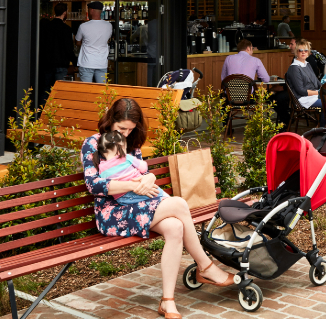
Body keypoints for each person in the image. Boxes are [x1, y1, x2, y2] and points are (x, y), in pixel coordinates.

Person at [82, 99, 233, 319]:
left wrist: (149, 177)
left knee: (174, 227)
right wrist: (134, 185)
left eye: (130, 129)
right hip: (112, 213)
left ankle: (168, 302)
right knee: (179, 204)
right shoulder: (93, 143)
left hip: (138, 205)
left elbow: (141, 174)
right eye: (121, 128)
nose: (125, 133)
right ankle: (206, 266)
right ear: (110, 121)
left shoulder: (131, 143)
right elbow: (93, 185)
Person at [95, 131, 157, 204]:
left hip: (121, 199)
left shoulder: (101, 167)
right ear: (122, 147)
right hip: (139, 190)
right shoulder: (126, 157)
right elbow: (143, 169)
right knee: (164, 198)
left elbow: (105, 183)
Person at [74, 0, 112, 83]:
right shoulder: (109, 26)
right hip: (101, 63)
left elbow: (77, 42)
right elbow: (107, 40)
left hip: (86, 63)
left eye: (88, 9)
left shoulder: (83, 26)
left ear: (91, 10)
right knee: (102, 92)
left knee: (86, 91)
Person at [41, 2, 76, 83]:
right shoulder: (66, 29)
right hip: (61, 64)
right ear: (64, 13)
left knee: (46, 89)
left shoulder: (46, 26)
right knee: (59, 89)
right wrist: (75, 62)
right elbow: (69, 48)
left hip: (47, 63)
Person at [285, 40, 321, 108]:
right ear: (296, 52)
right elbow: (301, 91)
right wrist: (319, 92)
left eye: (306, 50)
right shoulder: (294, 68)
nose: (303, 52)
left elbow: (316, 81)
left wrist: (325, 89)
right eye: (300, 50)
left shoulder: (307, 64)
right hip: (304, 99)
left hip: (314, 96)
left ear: (308, 53)